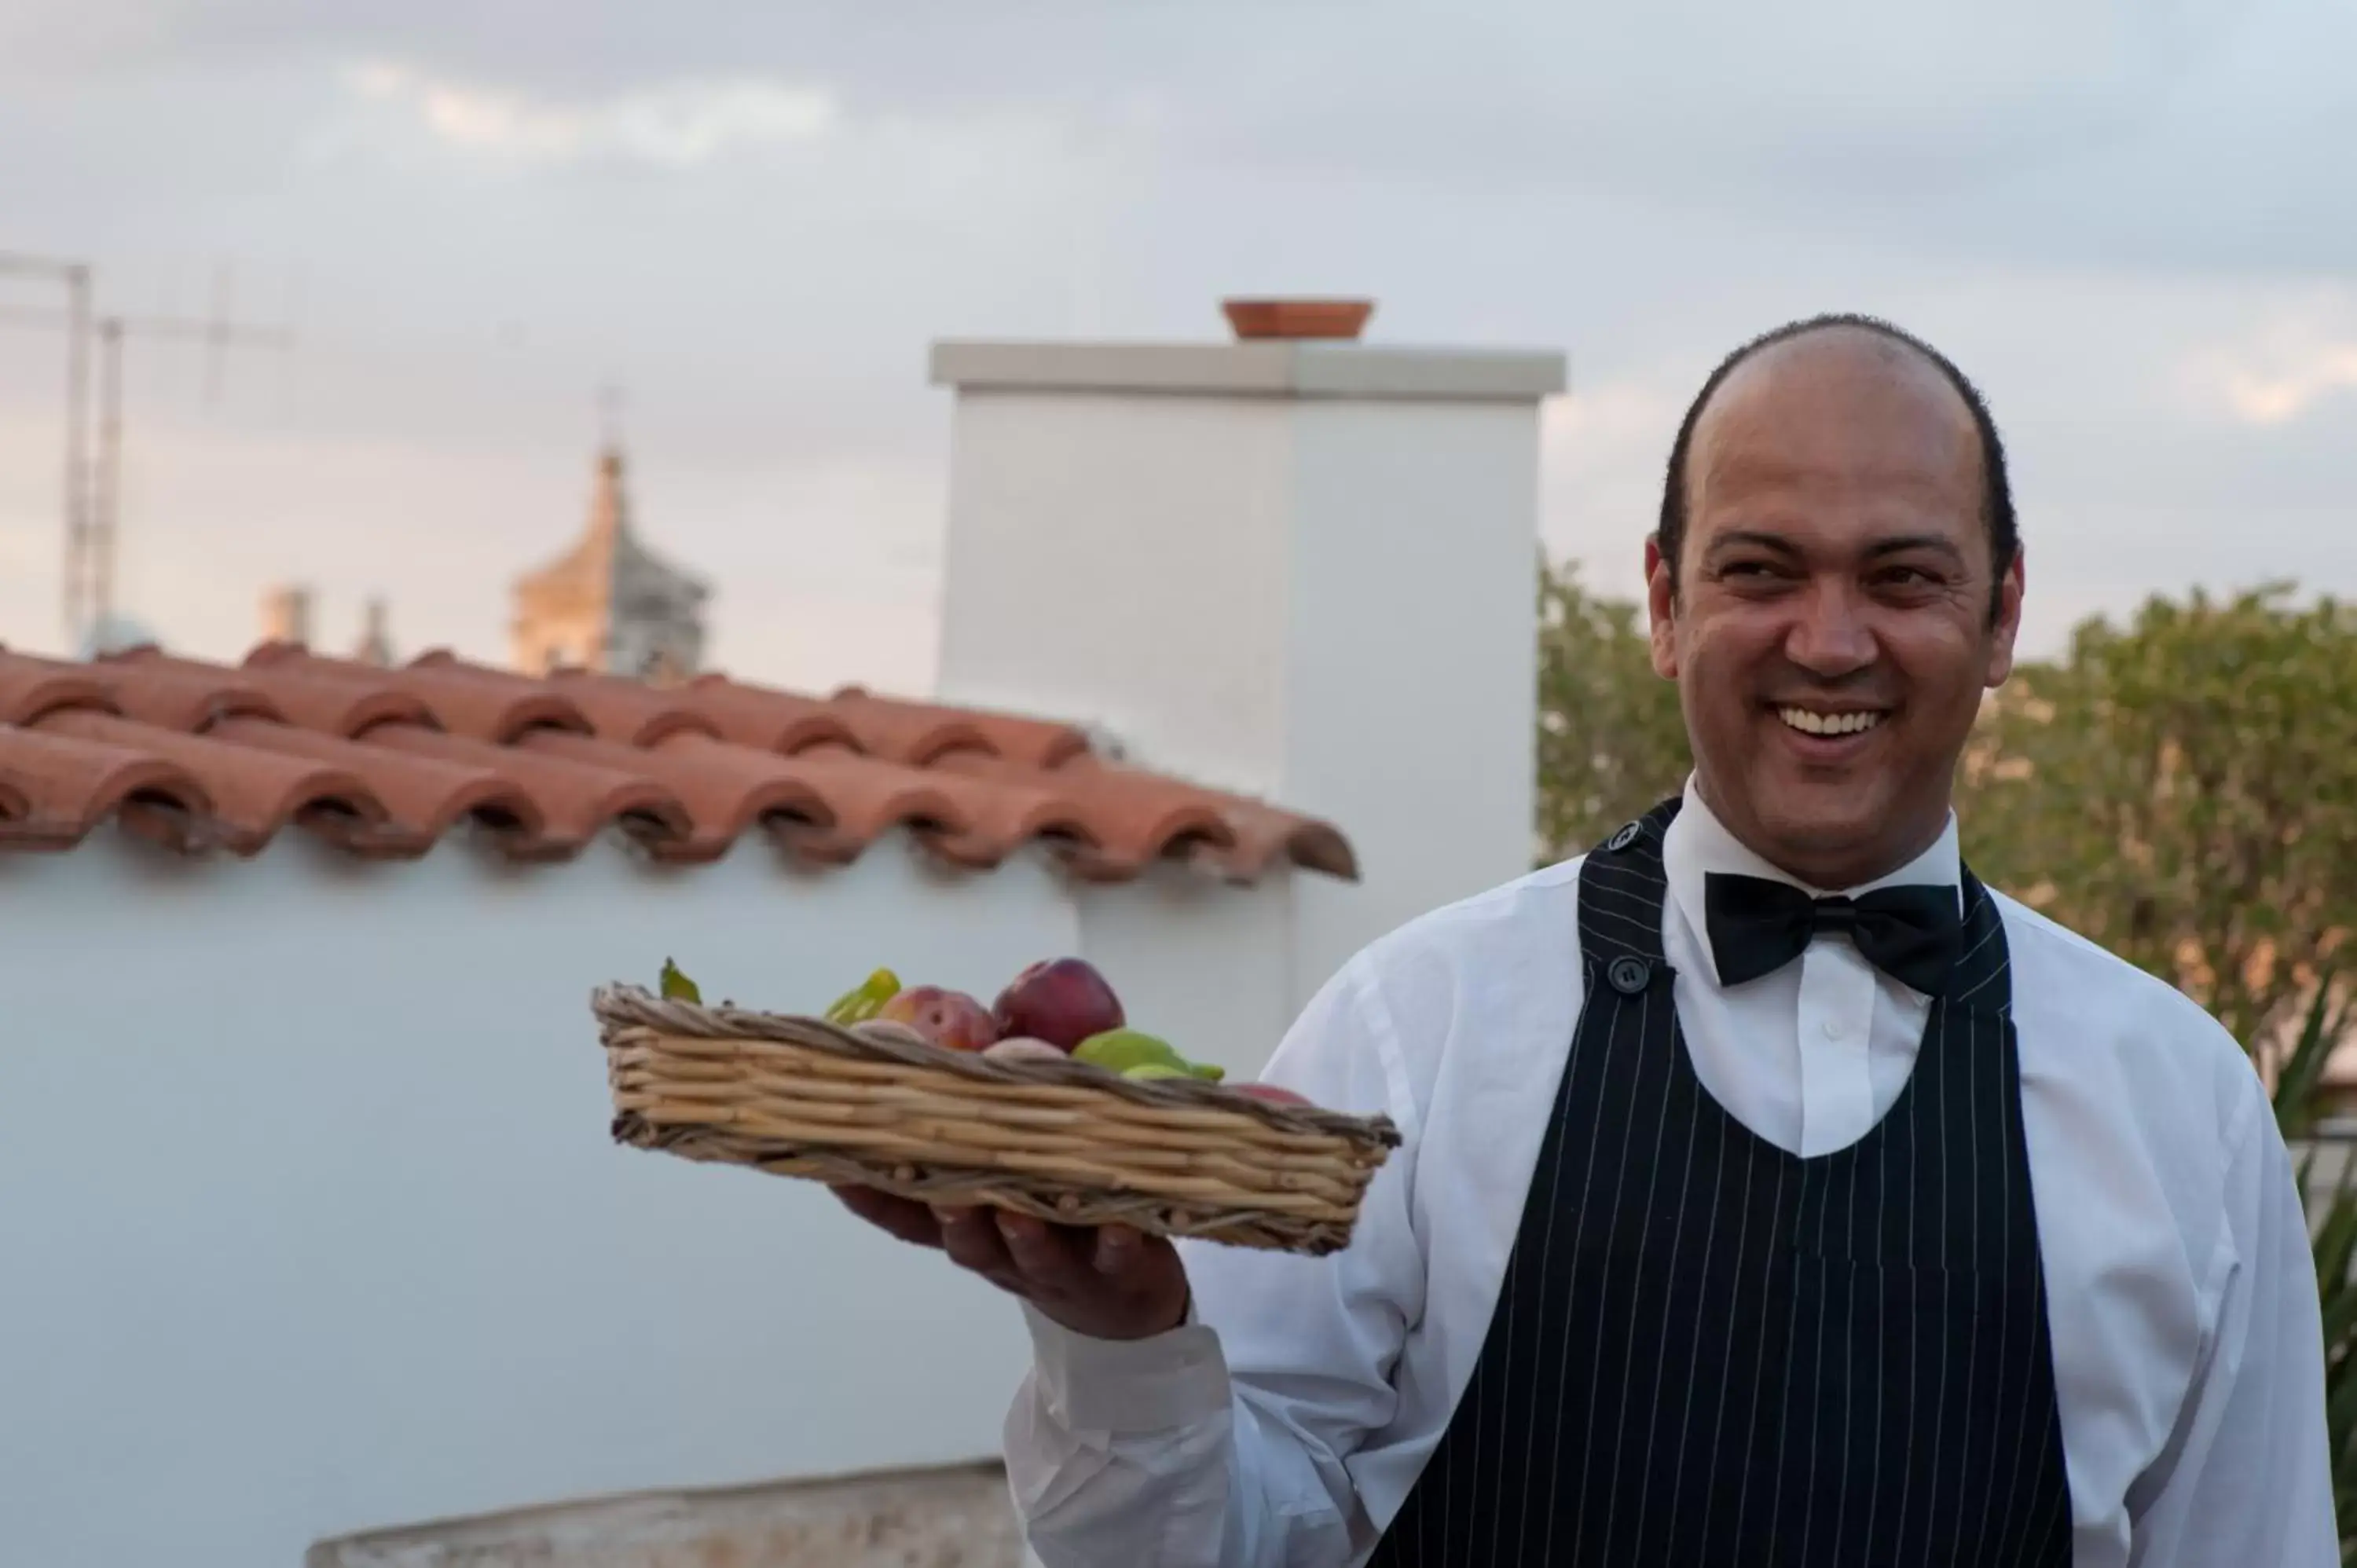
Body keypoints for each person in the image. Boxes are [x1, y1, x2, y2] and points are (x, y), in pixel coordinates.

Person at [832, 314, 2337, 1566]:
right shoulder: (1416, 1032)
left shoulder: (2181, 1102)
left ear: (2002, 615)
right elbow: (1212, 1547)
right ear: (1667, 605)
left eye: (1902, 576)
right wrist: (1126, 1346)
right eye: (1762, 571)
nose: (1829, 640)